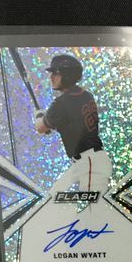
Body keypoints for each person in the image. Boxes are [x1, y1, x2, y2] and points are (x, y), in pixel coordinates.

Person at [35, 54, 112, 195]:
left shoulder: (61, 103)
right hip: (88, 161)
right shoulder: (86, 95)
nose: (51, 77)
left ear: (67, 75)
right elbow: (71, 122)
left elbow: (40, 128)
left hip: (90, 162)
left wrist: (39, 116)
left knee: (93, 206)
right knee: (52, 198)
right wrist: (52, 123)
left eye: (56, 73)